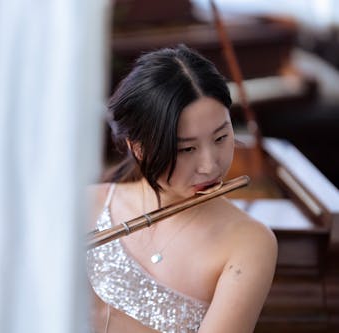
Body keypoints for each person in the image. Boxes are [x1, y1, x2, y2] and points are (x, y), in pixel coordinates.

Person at [86, 45, 278, 333]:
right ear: (138, 147)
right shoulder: (86, 203)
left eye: (221, 137)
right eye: (187, 148)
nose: (209, 165)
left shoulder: (250, 242)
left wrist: (99, 313)